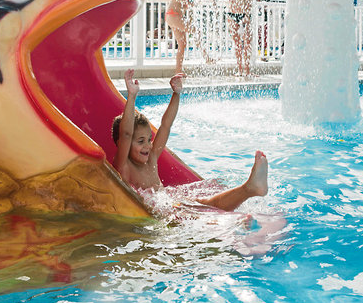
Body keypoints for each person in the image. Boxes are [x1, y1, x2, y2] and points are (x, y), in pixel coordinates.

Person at [112, 69, 268, 212]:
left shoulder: (151, 158)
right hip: (157, 216)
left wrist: (176, 94)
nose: (147, 145)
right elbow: (126, 134)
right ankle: (249, 190)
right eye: (140, 141)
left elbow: (166, 125)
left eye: (149, 139)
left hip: (169, 206)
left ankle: (250, 191)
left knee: (202, 204)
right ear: (122, 144)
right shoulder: (124, 167)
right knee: (204, 207)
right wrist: (132, 96)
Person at [165, 0, 213, 73]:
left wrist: (191, 3)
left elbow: (181, 3)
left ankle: (178, 72)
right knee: (196, 31)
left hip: (173, 16)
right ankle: (206, 57)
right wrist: (190, 2)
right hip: (174, 15)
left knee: (182, 44)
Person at [215, 0, 254, 78]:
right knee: (237, 44)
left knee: (247, 43)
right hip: (231, 15)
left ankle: (247, 70)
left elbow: (250, 0)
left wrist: (247, 15)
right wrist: (213, 0)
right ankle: (240, 70)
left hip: (244, 15)